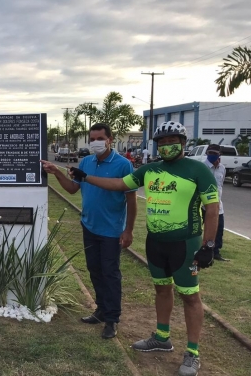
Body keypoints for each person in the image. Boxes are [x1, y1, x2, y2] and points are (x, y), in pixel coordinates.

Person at [68, 121, 219, 376]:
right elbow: (118, 185)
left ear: (183, 143)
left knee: (190, 296)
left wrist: (209, 245)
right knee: (161, 289)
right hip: (156, 242)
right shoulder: (148, 170)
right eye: (162, 143)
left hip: (185, 243)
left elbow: (213, 209)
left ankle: (192, 353)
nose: (167, 147)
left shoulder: (197, 170)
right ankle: (162, 337)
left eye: (172, 142)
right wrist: (85, 177)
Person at [41, 123, 137, 340]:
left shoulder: (124, 165)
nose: (96, 143)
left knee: (110, 273)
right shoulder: (86, 162)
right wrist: (56, 172)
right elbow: (73, 188)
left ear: (110, 139)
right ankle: (101, 309)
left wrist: (128, 230)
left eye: (100, 138)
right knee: (94, 270)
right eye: (92, 139)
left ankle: (112, 319)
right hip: (90, 226)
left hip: (112, 230)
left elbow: (132, 200)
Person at [202, 144, 228, 262]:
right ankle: (201, 250)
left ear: (219, 155)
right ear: (207, 154)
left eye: (214, 153)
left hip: (218, 205)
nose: (212, 156)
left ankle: (215, 252)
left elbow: (220, 185)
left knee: (218, 229)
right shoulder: (202, 167)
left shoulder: (222, 168)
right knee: (198, 229)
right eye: (210, 153)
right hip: (202, 205)